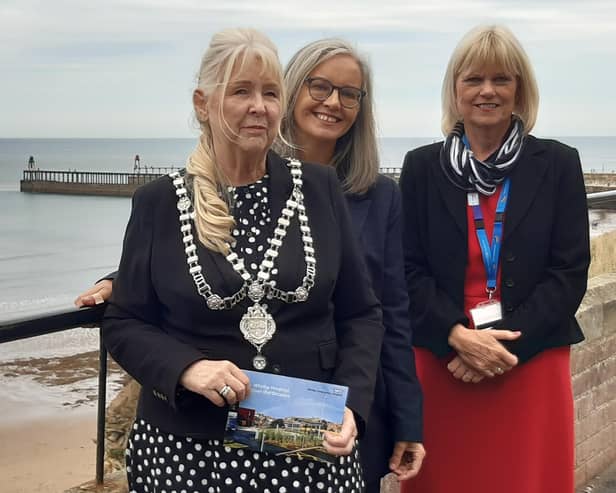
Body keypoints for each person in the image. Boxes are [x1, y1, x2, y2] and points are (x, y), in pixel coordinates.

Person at [77, 36, 427, 491]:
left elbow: (363, 312)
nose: (259, 106)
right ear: (203, 104)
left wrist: (351, 403)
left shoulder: (319, 189)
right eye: (241, 91)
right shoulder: (159, 202)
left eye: (270, 92)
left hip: (303, 445)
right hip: (184, 453)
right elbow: (125, 322)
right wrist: (186, 368)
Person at [399, 25, 590, 493]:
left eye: (501, 79)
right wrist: (456, 337)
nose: (487, 90)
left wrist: (504, 349)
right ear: (455, 90)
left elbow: (569, 273)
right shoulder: (422, 167)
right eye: (473, 79)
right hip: (443, 359)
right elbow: (405, 268)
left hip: (530, 357)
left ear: (519, 89)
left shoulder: (558, 163)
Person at [275, 39, 425, 491]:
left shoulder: (380, 197)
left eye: (349, 94)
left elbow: (394, 314)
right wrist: (121, 279)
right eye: (319, 87)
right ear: (291, 91)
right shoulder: (249, 178)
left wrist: (408, 421)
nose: (333, 103)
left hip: (352, 405)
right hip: (271, 398)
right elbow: (196, 250)